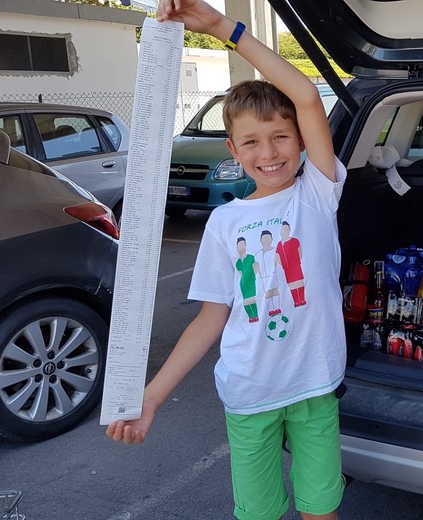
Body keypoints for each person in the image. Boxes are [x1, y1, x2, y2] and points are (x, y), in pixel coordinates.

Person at [106, 1, 347, 519]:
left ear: (302, 140)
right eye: (251, 142)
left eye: (281, 136)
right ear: (233, 153)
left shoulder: (317, 193)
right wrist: (151, 397)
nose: (270, 153)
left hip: (314, 386)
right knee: (258, 513)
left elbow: (306, 95)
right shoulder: (224, 222)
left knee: (321, 509)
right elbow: (210, 319)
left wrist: (221, 27)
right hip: (248, 393)